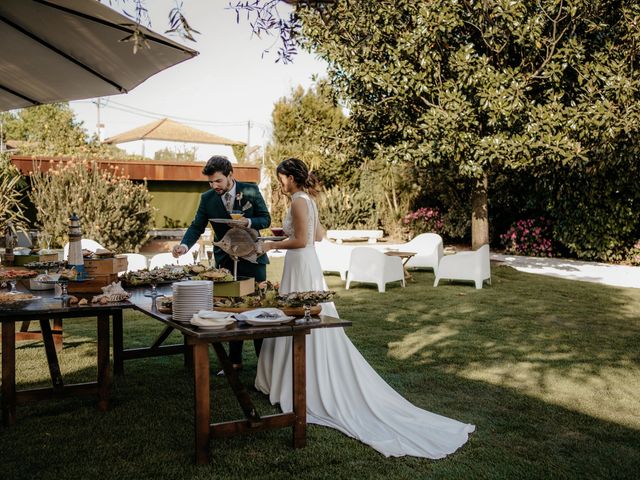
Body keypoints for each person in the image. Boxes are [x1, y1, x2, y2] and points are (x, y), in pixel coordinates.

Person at [257, 158, 475, 459]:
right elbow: (316, 236)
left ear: (292, 178)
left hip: (300, 263)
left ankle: (293, 381)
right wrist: (288, 234)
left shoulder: (297, 201)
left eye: (282, 178)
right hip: (307, 265)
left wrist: (271, 245)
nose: (281, 183)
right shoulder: (308, 199)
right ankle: (293, 375)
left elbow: (302, 241)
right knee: (302, 315)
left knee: (296, 315)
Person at [172, 155, 271, 371]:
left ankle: (265, 366)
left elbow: (266, 219)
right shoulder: (207, 198)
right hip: (225, 260)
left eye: (217, 181)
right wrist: (184, 246)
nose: (214, 185)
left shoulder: (251, 190)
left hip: (253, 257)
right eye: (210, 182)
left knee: (257, 308)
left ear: (230, 175)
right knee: (231, 310)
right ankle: (234, 362)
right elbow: (196, 226)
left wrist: (249, 221)